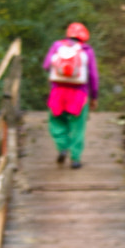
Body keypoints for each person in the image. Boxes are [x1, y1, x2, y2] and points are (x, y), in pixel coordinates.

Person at [41, 21, 98, 168]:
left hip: (58, 93)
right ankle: (75, 159)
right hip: (79, 94)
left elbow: (46, 65)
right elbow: (93, 76)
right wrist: (94, 97)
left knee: (56, 123)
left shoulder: (57, 46)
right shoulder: (87, 50)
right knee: (78, 127)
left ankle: (62, 147)